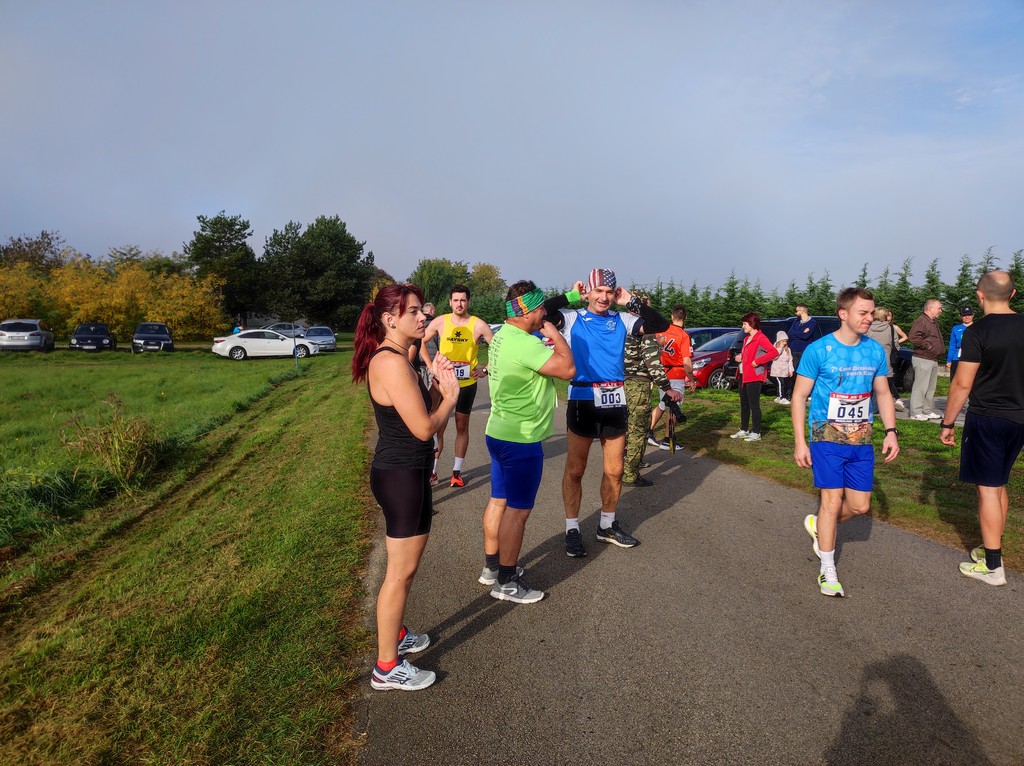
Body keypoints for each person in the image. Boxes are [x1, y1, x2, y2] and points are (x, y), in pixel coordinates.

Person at [352, 283, 460, 691]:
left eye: (422, 311)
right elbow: (424, 428)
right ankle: (385, 668)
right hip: (399, 476)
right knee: (398, 573)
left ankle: (395, 634)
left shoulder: (403, 357)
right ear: (390, 319)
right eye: (414, 312)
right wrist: (449, 397)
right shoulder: (390, 362)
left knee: (408, 568)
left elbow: (425, 416)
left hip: (411, 471)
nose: (423, 318)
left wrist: (437, 383)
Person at [545, 268, 671, 557]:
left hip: (615, 399)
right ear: (588, 292)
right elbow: (545, 310)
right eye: (597, 291)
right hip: (583, 398)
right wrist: (571, 295)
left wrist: (633, 302)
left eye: (608, 292)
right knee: (576, 469)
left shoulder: (622, 319)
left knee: (614, 470)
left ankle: (606, 525)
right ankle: (572, 528)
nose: (603, 297)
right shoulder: (573, 317)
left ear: (615, 295)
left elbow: (659, 324)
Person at [792, 287, 900, 598]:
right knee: (832, 501)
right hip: (826, 434)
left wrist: (891, 431)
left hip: (861, 437)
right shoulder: (819, 350)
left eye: (872, 312)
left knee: (860, 506)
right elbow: (799, 397)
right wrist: (801, 442)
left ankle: (820, 526)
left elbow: (883, 393)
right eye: (863, 313)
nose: (870, 318)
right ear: (844, 314)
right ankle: (827, 569)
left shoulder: (874, 350)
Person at [479, 281, 576, 602]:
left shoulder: (504, 335)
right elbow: (567, 369)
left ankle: (492, 567)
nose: (545, 314)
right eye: (540, 311)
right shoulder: (525, 343)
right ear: (527, 313)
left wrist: (572, 296)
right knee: (517, 512)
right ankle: (506, 583)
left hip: (498, 432)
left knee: (498, 501)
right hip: (521, 439)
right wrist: (557, 336)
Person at [939, 271, 1024, 587]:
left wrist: (947, 422)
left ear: (980, 296)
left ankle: (992, 567)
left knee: (988, 488)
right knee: (999, 483)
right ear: (1013, 294)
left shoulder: (976, 332)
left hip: (987, 417)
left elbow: (962, 383)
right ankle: (993, 550)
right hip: (1019, 419)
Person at [420, 285, 494, 487]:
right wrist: (431, 366)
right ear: (450, 302)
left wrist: (485, 370)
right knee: (437, 427)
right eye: (456, 300)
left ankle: (456, 472)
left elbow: (498, 350)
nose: (459, 304)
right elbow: (420, 342)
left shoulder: (478, 325)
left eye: (463, 300)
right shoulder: (440, 321)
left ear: (469, 302)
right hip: (441, 383)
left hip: (467, 384)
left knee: (462, 427)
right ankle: (433, 472)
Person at [623, 332, 680, 485]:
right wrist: (667, 388)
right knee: (639, 430)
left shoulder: (623, 326)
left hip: (621, 382)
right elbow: (653, 362)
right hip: (638, 385)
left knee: (627, 426)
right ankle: (629, 474)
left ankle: (619, 465)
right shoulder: (645, 332)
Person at [729, 312, 779, 442]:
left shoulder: (761, 338)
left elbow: (773, 352)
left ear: (752, 324)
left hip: (754, 376)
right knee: (744, 403)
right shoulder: (746, 339)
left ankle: (756, 432)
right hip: (743, 375)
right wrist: (739, 357)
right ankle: (744, 429)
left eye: (745, 323)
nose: (743, 326)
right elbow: (747, 354)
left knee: (754, 404)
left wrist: (758, 361)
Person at [649, 304, 693, 445]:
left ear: (672, 316)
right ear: (685, 318)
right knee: (674, 406)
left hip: (662, 372)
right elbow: (686, 360)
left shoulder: (662, 330)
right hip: (676, 373)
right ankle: (668, 438)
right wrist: (691, 379)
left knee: (663, 404)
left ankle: (649, 431)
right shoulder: (684, 335)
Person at [908, 299, 945, 421]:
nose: (941, 310)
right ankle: (916, 412)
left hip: (932, 359)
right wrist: (927, 345)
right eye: (939, 308)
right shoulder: (922, 321)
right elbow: (913, 337)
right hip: (923, 358)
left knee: (930, 388)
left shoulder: (932, 322)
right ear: (930, 308)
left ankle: (927, 410)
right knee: (921, 386)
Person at [865, 307, 905, 413]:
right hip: (885, 360)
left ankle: (866, 407)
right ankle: (875, 408)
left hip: (868, 360)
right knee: (882, 385)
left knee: (867, 385)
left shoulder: (867, 327)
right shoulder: (890, 328)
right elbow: (896, 344)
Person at [946, 306, 974, 381]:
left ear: (973, 315)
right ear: (961, 316)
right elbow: (952, 345)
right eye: (964, 315)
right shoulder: (955, 328)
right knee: (955, 381)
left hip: (972, 359)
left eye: (969, 314)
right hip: (957, 359)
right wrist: (949, 360)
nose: (967, 317)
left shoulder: (977, 327)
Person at [770, 330, 794, 404]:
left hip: (784, 371)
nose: (784, 343)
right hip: (777, 371)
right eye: (783, 341)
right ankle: (781, 397)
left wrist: (791, 370)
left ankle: (782, 396)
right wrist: (780, 348)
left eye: (785, 341)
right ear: (779, 341)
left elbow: (790, 360)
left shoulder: (788, 349)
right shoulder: (775, 348)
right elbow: (774, 357)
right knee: (781, 383)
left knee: (785, 384)